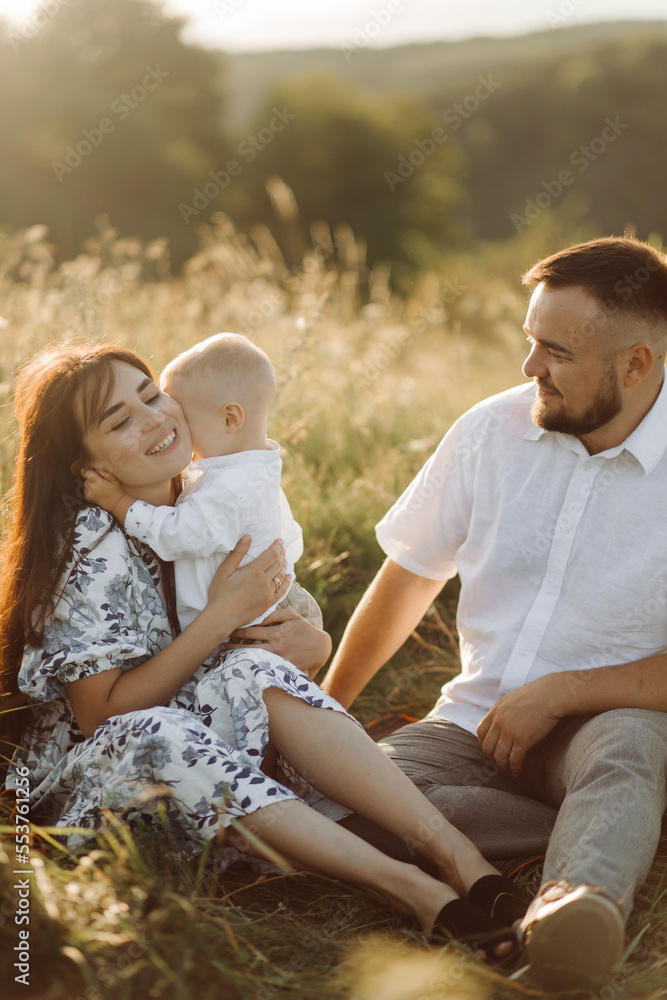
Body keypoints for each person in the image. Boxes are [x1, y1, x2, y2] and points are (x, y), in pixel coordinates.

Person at [0, 342, 532, 967]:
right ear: (81, 462)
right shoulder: (84, 542)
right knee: (158, 727)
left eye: (151, 395)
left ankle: (456, 855)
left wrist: (313, 641)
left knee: (253, 669)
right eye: (120, 421)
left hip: (195, 748)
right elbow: (102, 718)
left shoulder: (207, 492)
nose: (155, 419)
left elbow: (276, 616)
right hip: (88, 793)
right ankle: (410, 889)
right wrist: (220, 619)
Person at [321, 236, 667, 990]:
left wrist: (563, 693)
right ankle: (621, 829)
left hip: (609, 720)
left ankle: (574, 907)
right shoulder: (491, 430)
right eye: (528, 341)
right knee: (347, 795)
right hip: (469, 724)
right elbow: (406, 580)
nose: (528, 368)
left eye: (555, 351)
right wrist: (330, 715)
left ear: (635, 363)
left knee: (627, 753)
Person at [82, 332, 321, 642]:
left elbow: (176, 535)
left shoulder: (228, 489)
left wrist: (117, 501)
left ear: (230, 418)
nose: (163, 421)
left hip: (255, 627)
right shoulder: (253, 469)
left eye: (169, 404)